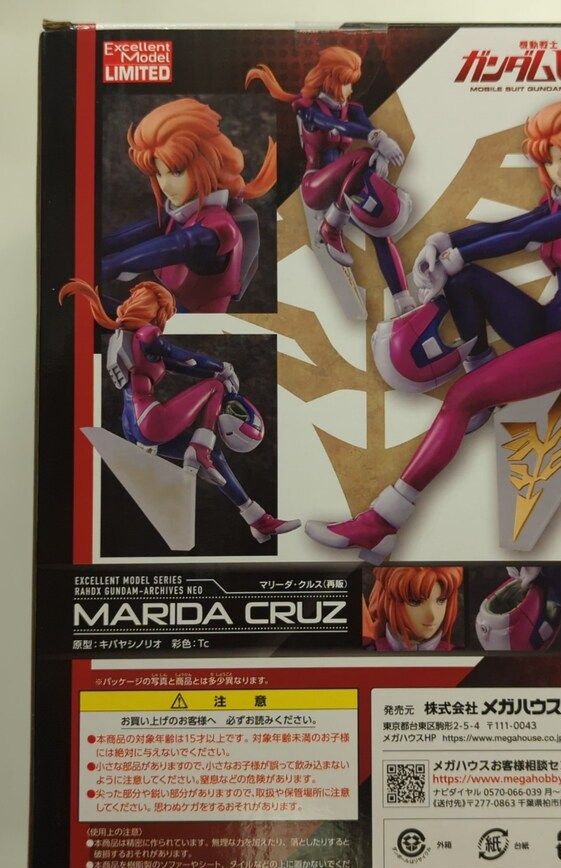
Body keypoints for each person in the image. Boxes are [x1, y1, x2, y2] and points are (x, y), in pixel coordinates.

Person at [306, 100, 561, 563]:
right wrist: (447, 241)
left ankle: (382, 523)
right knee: (465, 282)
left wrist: (460, 253)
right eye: (550, 159)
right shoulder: (560, 200)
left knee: (461, 396)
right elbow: (515, 225)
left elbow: (533, 233)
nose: (557, 169)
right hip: (550, 322)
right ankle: (481, 379)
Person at [60, 278, 299, 542]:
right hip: (150, 422)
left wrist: (217, 369)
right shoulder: (146, 334)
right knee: (215, 388)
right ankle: (199, 449)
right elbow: (183, 356)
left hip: (133, 427)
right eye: (165, 311)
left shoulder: (128, 337)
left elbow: (182, 365)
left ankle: (258, 520)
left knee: (216, 455)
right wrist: (221, 368)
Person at [246, 47, 413, 313]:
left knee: (380, 230)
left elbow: (366, 127)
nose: (350, 89)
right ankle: (331, 228)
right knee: (364, 154)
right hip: (316, 186)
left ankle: (403, 300)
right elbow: (337, 127)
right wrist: (376, 141)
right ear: (332, 80)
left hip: (347, 185)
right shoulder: (308, 109)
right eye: (347, 82)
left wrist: (380, 147)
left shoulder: (352, 109)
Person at [101, 98, 276, 313]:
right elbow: (139, 232)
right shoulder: (180, 215)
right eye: (159, 174)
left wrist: (114, 265)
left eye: (176, 172)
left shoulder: (218, 227)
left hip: (194, 322)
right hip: (169, 311)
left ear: (208, 164)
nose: (165, 186)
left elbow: (181, 244)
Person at [363, 566, 463, 651]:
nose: (432, 616)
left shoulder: (458, 654)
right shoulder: (369, 650)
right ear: (390, 601)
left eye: (441, 600)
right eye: (416, 602)